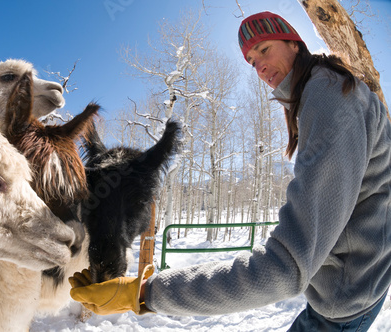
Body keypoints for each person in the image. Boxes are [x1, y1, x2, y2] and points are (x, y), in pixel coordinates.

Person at [69, 11, 391, 331]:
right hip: (350, 285)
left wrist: (143, 294)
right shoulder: (325, 91)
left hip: (345, 303)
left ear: (294, 42)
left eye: (264, 49)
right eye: (252, 61)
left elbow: (284, 269)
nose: (260, 66)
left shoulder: (328, 100)